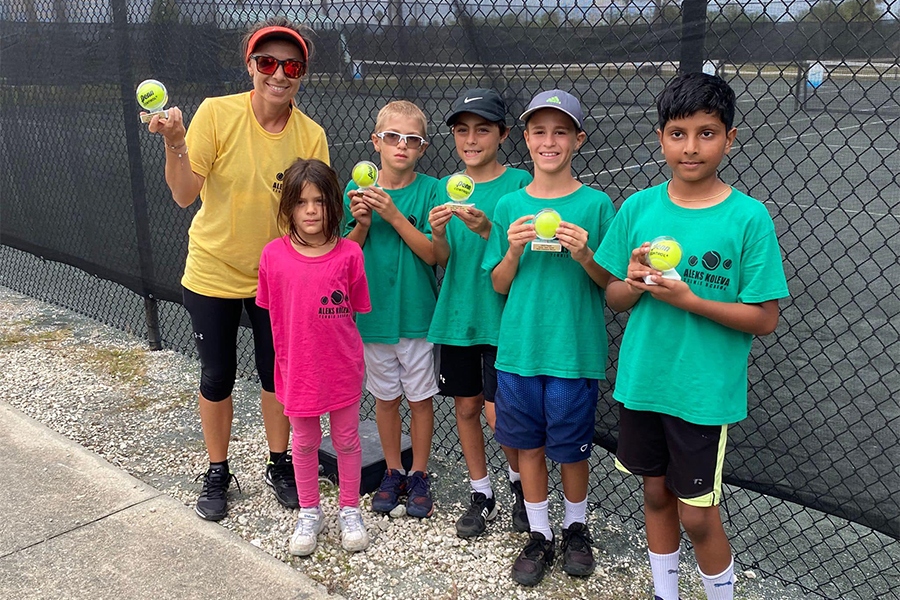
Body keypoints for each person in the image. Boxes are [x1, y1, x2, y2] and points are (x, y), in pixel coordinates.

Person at [593, 73, 789, 600]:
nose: (691, 147)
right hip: (644, 383)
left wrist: (691, 301)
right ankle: (666, 593)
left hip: (701, 392)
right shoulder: (638, 208)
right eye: (678, 134)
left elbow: (764, 318)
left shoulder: (748, 218)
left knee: (697, 516)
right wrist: (632, 282)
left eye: (707, 133)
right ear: (661, 138)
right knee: (655, 494)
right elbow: (614, 296)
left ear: (730, 138)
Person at [145, 17, 329, 521]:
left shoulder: (311, 135)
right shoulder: (216, 113)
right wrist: (175, 141)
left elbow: (313, 216)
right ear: (250, 66)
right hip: (214, 272)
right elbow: (184, 194)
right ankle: (218, 469)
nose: (279, 74)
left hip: (279, 281)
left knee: (277, 377)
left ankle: (279, 463)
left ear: (302, 73)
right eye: (267, 62)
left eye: (291, 66)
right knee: (217, 375)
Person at [482, 90, 616, 586]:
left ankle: (575, 527)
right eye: (539, 131)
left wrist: (585, 255)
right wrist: (513, 251)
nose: (549, 141)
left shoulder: (596, 204)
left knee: (572, 451)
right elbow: (498, 283)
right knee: (529, 448)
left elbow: (610, 283)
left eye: (561, 132)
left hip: (573, 353)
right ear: (525, 138)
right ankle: (539, 533)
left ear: (578, 140)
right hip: (519, 352)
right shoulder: (510, 205)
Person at [427, 88, 532, 538]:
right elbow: (442, 259)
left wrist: (489, 228)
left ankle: (522, 488)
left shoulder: (520, 185)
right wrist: (438, 234)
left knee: (500, 416)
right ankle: (481, 492)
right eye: (462, 130)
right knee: (467, 407)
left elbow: (526, 256)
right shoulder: (446, 188)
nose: (471, 139)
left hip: (502, 318)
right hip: (458, 316)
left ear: (503, 135)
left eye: (482, 130)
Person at [257, 159, 371, 556]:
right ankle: (310, 512)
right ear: (288, 207)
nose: (310, 211)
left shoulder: (350, 254)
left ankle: (350, 509)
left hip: (342, 367)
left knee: (347, 440)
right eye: (301, 202)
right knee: (304, 442)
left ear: (333, 205)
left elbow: (355, 309)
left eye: (319, 201)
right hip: (297, 369)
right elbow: (271, 309)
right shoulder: (272, 255)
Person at [343, 100, 440, 519]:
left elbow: (434, 255)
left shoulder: (432, 190)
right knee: (386, 400)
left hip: (417, 316)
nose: (402, 145)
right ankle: (393, 470)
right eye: (393, 137)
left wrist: (394, 215)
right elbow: (347, 255)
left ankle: (419, 473)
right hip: (374, 316)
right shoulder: (356, 190)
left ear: (422, 147)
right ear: (376, 142)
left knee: (420, 400)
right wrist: (364, 223)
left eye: (412, 139)